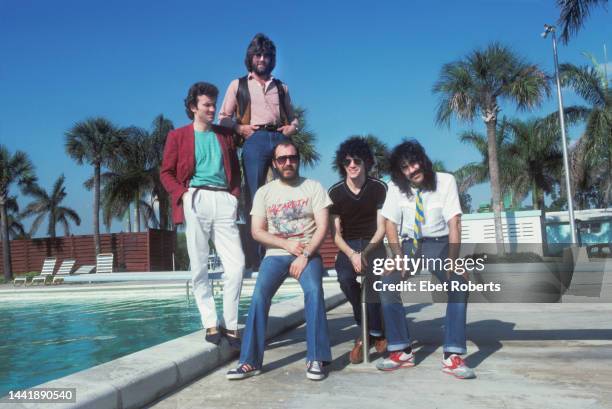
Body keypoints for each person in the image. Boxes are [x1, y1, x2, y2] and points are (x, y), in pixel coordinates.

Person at [226, 140, 332, 381]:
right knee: (259, 296)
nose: (288, 163)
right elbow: (256, 231)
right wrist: (286, 245)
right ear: (274, 163)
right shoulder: (265, 192)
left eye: (292, 158)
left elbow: (323, 227)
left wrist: (304, 255)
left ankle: (316, 357)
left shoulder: (313, 187)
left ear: (298, 160)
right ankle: (249, 362)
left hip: (308, 253)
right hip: (275, 254)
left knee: (314, 291)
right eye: (282, 159)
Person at [377, 139, 475, 379]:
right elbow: (390, 223)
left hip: (440, 244)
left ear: (423, 160)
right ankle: (401, 350)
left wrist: (453, 260)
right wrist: (397, 257)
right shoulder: (395, 187)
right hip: (411, 245)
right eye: (405, 167)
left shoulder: (445, 181)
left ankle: (452, 355)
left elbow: (454, 223)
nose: (412, 170)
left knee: (459, 284)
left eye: (414, 163)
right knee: (386, 283)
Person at [160, 82, 244, 349]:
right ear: (193, 107)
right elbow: (166, 173)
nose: (212, 108)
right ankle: (210, 321)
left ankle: (231, 323)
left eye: (213, 104)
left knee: (237, 265)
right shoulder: (178, 136)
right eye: (207, 104)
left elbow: (236, 170)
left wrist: (234, 197)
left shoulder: (224, 135)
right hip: (195, 198)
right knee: (199, 267)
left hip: (223, 199)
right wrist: (183, 195)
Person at [218, 33, 300, 269]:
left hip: (280, 138)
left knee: (289, 193)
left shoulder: (281, 87)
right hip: (254, 139)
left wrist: (291, 128)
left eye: (266, 55)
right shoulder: (238, 85)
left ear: (271, 59)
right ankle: (259, 255)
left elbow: (294, 119)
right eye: (258, 54)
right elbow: (223, 118)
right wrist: (240, 128)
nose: (262, 58)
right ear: (251, 57)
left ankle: (289, 247)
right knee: (256, 195)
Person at [328, 136, 388, 364]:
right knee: (345, 278)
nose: (352, 165)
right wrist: (352, 254)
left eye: (357, 161)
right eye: (347, 162)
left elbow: (381, 227)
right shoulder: (334, 192)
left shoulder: (379, 188)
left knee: (374, 280)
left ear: (367, 163)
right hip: (348, 244)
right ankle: (373, 330)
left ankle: (371, 335)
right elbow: (335, 234)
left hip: (374, 243)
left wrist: (365, 253)